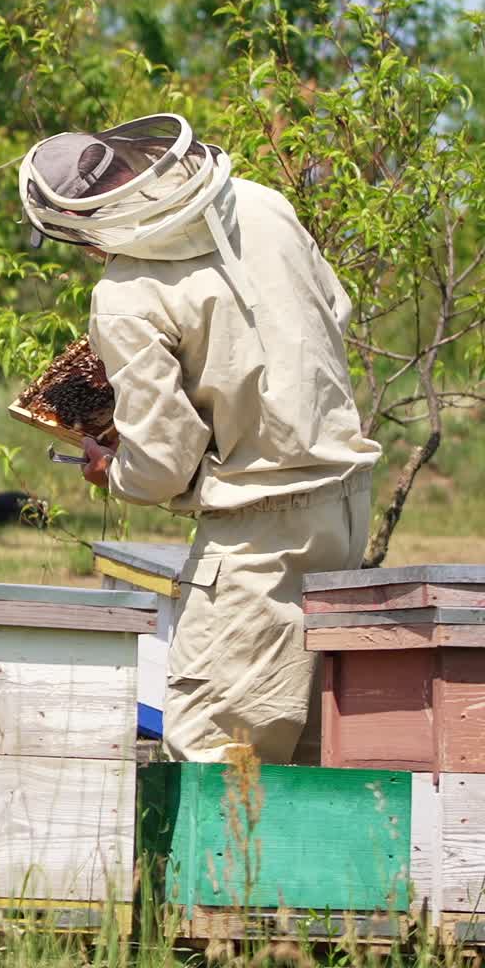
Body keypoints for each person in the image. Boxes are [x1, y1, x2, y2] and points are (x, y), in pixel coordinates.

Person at [19, 114, 381, 765]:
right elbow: (337, 307)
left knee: (217, 746)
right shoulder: (260, 204)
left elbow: (163, 459)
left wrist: (113, 471)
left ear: (81, 221)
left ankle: (218, 873)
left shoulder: (126, 295)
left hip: (255, 528)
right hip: (347, 503)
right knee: (312, 749)